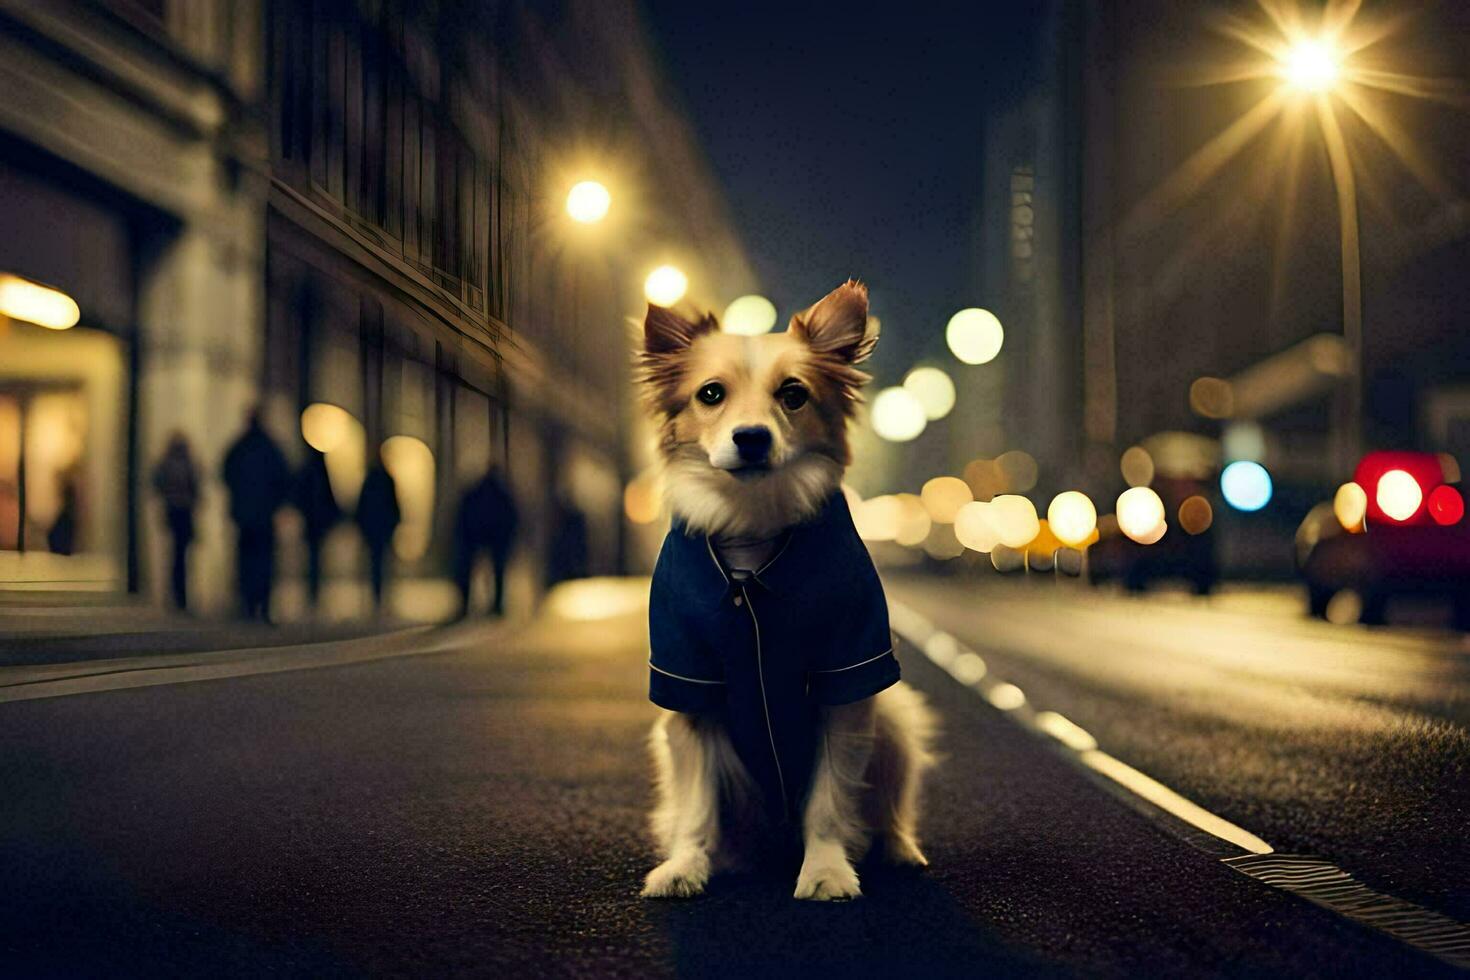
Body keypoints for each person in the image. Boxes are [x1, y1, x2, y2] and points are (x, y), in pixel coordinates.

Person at [221, 407, 290, 622]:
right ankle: (262, 605)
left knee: (246, 561)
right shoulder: (269, 448)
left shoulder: (240, 447)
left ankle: (248, 605)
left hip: (245, 516)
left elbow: (225, 472)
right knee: (264, 562)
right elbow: (284, 478)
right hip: (263, 516)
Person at [454, 466, 518, 618]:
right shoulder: (501, 495)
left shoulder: (477, 493)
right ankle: (494, 605)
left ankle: (468, 605)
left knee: (478, 571)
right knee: (496, 572)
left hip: (480, 536)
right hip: (489, 537)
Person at [151, 433, 199, 610]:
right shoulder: (187, 464)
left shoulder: (167, 463)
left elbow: (157, 484)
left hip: (175, 512)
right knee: (180, 557)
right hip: (182, 512)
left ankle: (177, 596)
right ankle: (180, 597)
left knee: (176, 557)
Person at [291, 447, 340, 610]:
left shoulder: (308, 471)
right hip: (317, 522)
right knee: (315, 558)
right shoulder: (319, 473)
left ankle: (313, 590)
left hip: (313, 522)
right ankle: (314, 590)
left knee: (313, 558)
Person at [355, 460, 400, 613]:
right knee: (379, 563)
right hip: (379, 528)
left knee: (377, 563)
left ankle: (378, 595)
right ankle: (378, 595)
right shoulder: (383, 480)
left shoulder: (373, 480)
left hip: (376, 528)